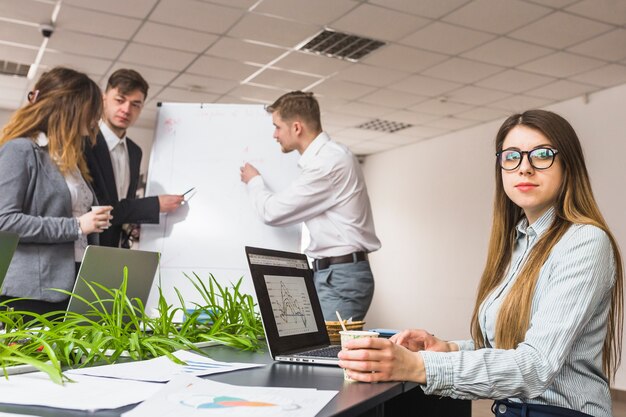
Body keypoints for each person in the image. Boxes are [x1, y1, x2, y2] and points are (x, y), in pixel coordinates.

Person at [338, 110, 623, 417]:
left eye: (542, 155)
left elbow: (535, 366)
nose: (524, 168)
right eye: (511, 156)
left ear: (569, 165)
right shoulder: (518, 243)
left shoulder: (584, 242)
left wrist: (417, 365)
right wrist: (447, 348)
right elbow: (508, 347)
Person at [240, 91, 381, 321]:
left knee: (324, 354)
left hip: (340, 279)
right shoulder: (329, 157)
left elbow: (272, 212)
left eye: (277, 127)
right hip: (332, 274)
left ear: (296, 127)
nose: (274, 135)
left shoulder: (328, 164)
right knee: (316, 352)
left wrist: (254, 181)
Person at [0, 67, 113, 315]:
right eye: (90, 109)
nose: (96, 118)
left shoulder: (70, 160)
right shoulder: (20, 151)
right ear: (69, 107)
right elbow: (4, 222)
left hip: (75, 285)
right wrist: (77, 226)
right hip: (31, 293)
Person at [84, 68, 183, 248]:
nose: (126, 109)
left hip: (119, 248)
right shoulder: (85, 142)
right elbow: (99, 207)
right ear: (104, 98)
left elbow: (124, 205)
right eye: (120, 100)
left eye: (135, 104)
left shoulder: (135, 151)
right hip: (88, 247)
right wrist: (154, 205)